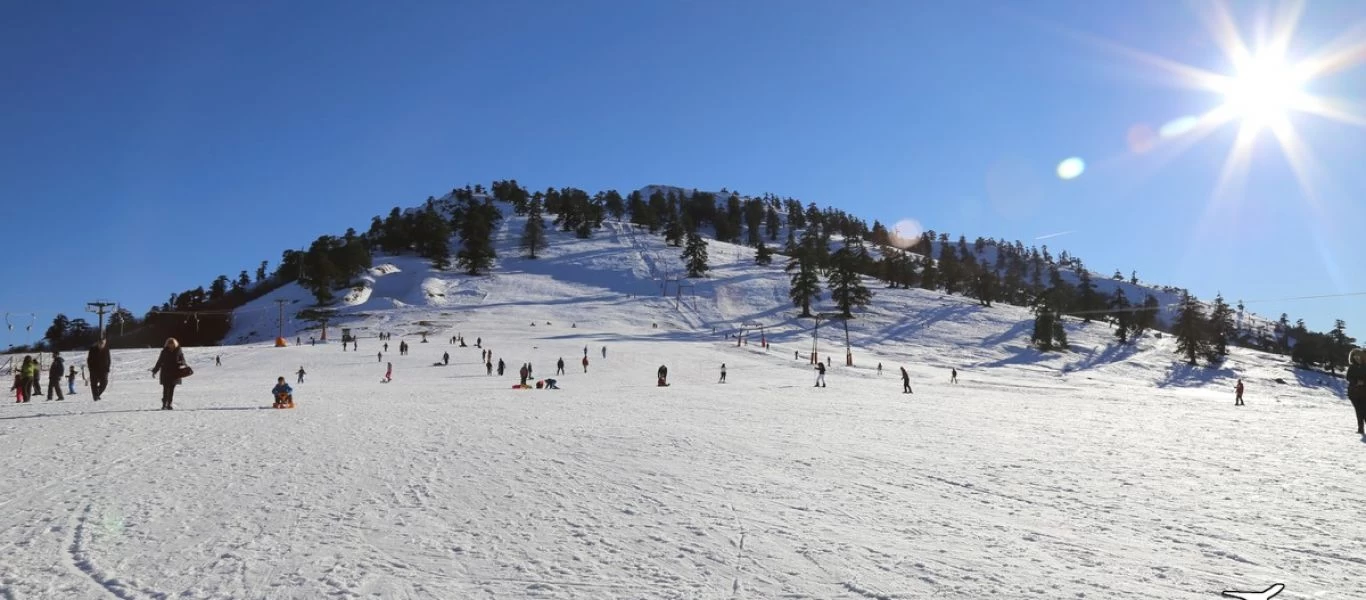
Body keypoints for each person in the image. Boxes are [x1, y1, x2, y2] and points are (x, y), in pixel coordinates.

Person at [150, 337, 188, 410]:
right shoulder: (164, 351)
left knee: (171, 389)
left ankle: (169, 404)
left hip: (175, 372)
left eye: (172, 343)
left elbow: (183, 360)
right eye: (169, 343)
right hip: (166, 372)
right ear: (167, 344)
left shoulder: (179, 351)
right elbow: (160, 361)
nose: (171, 345)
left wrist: (182, 363)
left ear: (175, 344)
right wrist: (155, 371)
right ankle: (164, 404)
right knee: (165, 389)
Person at [1346, 348, 1365, 434]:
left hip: (1364, 392)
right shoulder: (1352, 367)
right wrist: (1356, 381)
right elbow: (1348, 377)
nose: (1357, 358)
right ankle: (1360, 428)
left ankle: (1361, 428)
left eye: (1358, 356)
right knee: (1358, 410)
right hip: (1353, 393)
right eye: (1355, 356)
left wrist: (1363, 381)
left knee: (1364, 410)